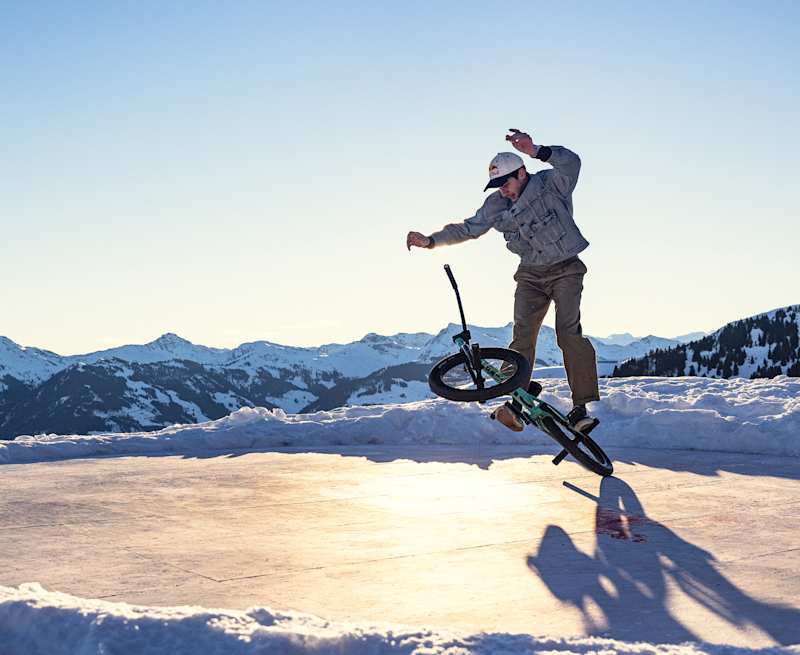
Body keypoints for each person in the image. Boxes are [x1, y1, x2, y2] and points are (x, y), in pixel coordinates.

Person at [406, 129, 599, 432]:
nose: (503, 191)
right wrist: (430, 241)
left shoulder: (550, 185)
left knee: (568, 334)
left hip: (566, 269)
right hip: (531, 275)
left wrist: (535, 150)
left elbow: (571, 163)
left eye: (506, 183)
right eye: (497, 187)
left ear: (522, 173)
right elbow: (468, 228)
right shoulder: (496, 206)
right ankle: (517, 403)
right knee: (522, 338)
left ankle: (580, 408)